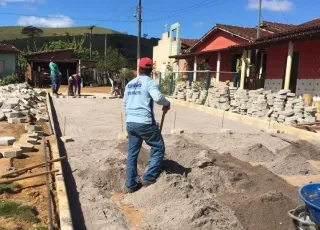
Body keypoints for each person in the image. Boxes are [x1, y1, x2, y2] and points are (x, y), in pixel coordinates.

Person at [123, 57, 170, 193]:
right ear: (151, 70)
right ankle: (148, 177)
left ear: (139, 68)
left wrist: (130, 118)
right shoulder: (150, 82)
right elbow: (158, 98)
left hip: (131, 122)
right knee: (158, 146)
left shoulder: (130, 84)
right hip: (145, 122)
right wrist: (166, 103)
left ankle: (130, 184)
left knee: (132, 153)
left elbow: (125, 103)